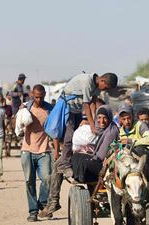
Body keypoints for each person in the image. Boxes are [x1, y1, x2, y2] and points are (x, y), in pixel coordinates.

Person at [46, 72, 118, 216]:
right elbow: (87, 105)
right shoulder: (86, 82)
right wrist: (91, 125)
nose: (104, 90)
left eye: (104, 118)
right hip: (69, 108)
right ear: (102, 80)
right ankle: (53, 201)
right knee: (64, 149)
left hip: (98, 160)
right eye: (106, 87)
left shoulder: (112, 129)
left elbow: (91, 103)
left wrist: (94, 123)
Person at [20, 85, 53, 222]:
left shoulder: (50, 109)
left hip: (44, 150)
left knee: (47, 178)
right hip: (27, 150)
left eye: (41, 97)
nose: (39, 99)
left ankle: (42, 202)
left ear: (45, 95)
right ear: (32, 95)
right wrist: (21, 114)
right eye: (36, 97)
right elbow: (14, 124)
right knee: (29, 181)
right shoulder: (26, 107)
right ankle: (33, 211)